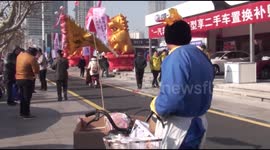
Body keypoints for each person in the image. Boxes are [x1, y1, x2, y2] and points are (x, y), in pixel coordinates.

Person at [150, 10, 214, 149]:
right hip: (200, 121)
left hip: (181, 128)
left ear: (167, 38)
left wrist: (157, 106)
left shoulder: (175, 57)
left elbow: (172, 98)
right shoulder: (201, 55)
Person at [16, 47, 39, 119]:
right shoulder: (32, 58)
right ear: (33, 53)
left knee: (22, 97)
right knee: (27, 97)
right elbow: (36, 70)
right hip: (27, 79)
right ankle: (26, 113)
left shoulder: (20, 55)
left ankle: (22, 112)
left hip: (18, 79)